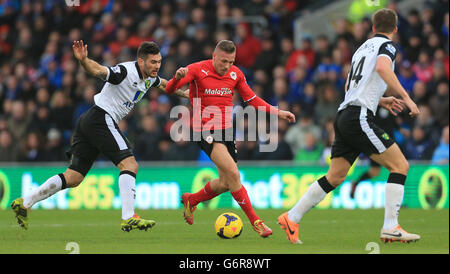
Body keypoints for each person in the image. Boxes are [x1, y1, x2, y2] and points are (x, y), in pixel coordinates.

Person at [10, 40, 188, 231]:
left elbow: (165, 84)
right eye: (153, 62)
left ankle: (25, 202)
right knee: (130, 164)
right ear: (141, 61)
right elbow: (99, 71)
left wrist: (187, 95)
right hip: (101, 118)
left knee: (74, 177)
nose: (157, 66)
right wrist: (84, 60)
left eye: (159, 61)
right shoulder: (125, 71)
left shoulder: (150, 77)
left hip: (90, 120)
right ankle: (128, 217)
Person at [278, 9, 421, 244]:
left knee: (335, 176)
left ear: (372, 28)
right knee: (400, 165)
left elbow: (349, 86)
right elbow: (384, 69)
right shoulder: (388, 46)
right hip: (359, 117)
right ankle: (390, 226)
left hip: (345, 115)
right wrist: (406, 97)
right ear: (395, 30)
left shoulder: (360, 49)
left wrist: (381, 100)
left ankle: (291, 217)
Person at [165, 40, 296, 238]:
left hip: (226, 130)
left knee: (226, 182)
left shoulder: (236, 74)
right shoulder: (196, 70)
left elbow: (252, 100)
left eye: (231, 62)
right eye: (224, 61)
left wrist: (278, 112)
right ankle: (256, 222)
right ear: (214, 56)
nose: (227, 66)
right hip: (205, 130)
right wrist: (176, 78)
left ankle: (192, 200)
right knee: (234, 174)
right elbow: (169, 90)